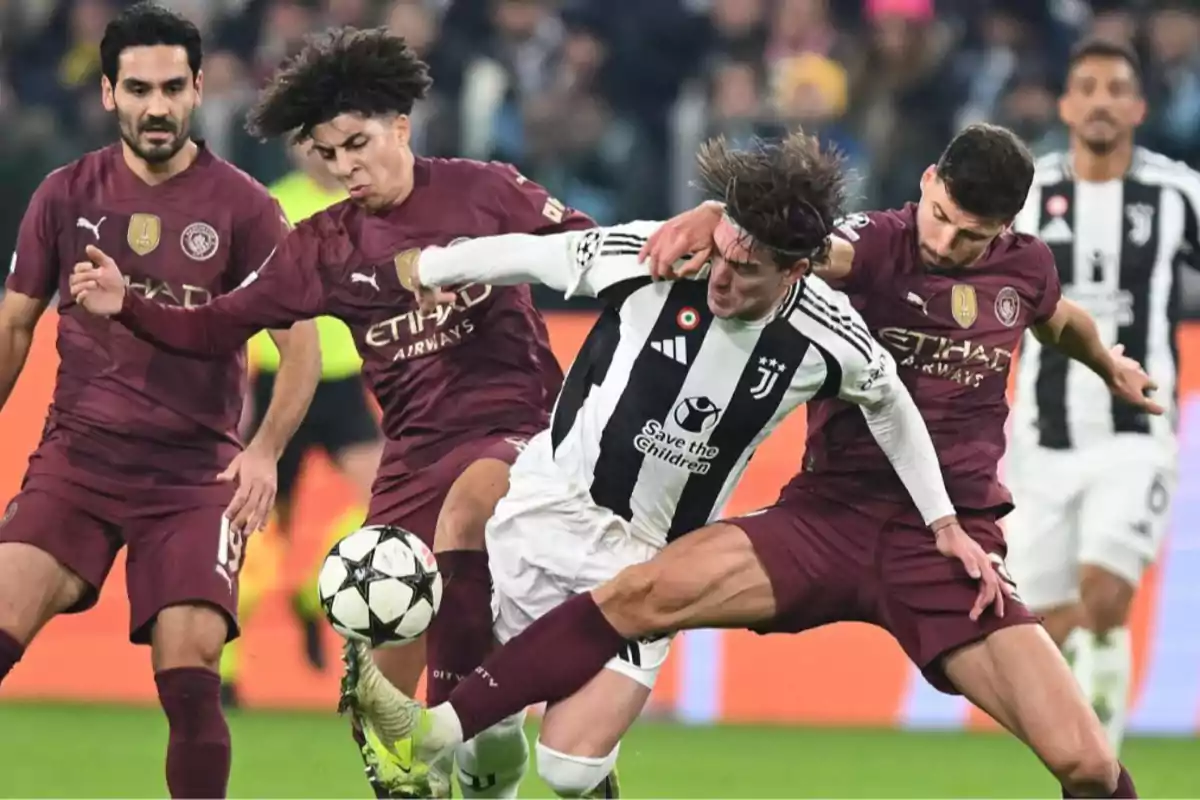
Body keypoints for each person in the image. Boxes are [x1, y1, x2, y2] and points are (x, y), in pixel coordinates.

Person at [341, 124, 1156, 799]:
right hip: (827, 515)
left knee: (1085, 761)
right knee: (636, 598)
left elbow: (1050, 322)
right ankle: (443, 728)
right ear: (928, 181)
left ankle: (452, 732)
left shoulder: (1013, 273)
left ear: (1006, 231)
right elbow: (774, 226)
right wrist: (707, 213)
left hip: (944, 544)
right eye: (940, 215)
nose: (946, 243)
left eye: (971, 235)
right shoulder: (866, 247)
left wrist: (1104, 367)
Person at [66, 24, 595, 797]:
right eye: (329, 153)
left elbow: (588, 253)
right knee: (383, 714)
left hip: (511, 431)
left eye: (357, 143)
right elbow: (222, 322)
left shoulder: (483, 190)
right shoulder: (322, 245)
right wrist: (131, 307)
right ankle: (452, 756)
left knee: (470, 507)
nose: (345, 166)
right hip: (412, 455)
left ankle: (459, 719)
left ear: (401, 127)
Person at [0, 4, 322, 798]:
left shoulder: (246, 209)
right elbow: (14, 326)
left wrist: (266, 449)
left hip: (191, 480)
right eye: (138, 89)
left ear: (198, 89)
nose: (156, 107)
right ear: (108, 93)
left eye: (172, 88)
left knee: (191, 676)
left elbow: (302, 348)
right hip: (76, 462)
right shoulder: (63, 194)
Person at [1005, 37, 1200, 755]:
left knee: (1107, 597)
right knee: (1046, 627)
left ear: (1139, 107)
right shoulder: (1025, 195)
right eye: (1085, 86)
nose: (1100, 100)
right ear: (1065, 104)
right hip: (1039, 440)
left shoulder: (1178, 194)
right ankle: (1080, 757)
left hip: (1134, 431)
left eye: (1116, 88)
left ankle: (1101, 771)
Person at [220, 140, 385, 709]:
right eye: (316, 142)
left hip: (342, 381)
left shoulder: (367, 204)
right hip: (279, 380)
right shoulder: (273, 205)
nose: (328, 153)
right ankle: (226, 670)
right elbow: (244, 298)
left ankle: (321, 585)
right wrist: (240, 387)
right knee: (255, 524)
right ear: (298, 147)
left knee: (390, 497)